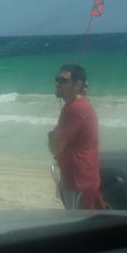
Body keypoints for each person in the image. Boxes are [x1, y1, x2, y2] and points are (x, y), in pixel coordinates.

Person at [48, 64, 105, 210]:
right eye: (57, 79)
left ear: (78, 85)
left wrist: (51, 138)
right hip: (83, 179)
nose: (57, 83)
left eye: (63, 80)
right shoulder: (80, 104)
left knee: (78, 221)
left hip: (78, 182)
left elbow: (55, 148)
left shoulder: (75, 109)